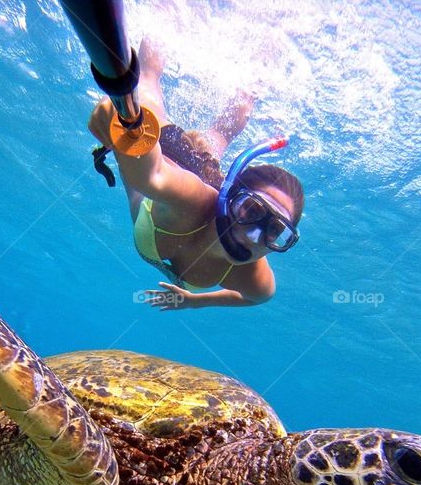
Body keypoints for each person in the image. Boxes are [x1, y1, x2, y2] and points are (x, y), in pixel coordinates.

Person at [88, 38, 305, 310]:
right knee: (147, 81)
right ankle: (164, 13)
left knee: (218, 136)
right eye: (250, 210)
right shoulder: (194, 201)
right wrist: (123, 118)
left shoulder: (253, 279)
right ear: (229, 197)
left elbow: (257, 298)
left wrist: (195, 301)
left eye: (275, 231)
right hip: (166, 151)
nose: (253, 237)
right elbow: (152, 177)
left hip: (207, 172)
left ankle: (258, 73)